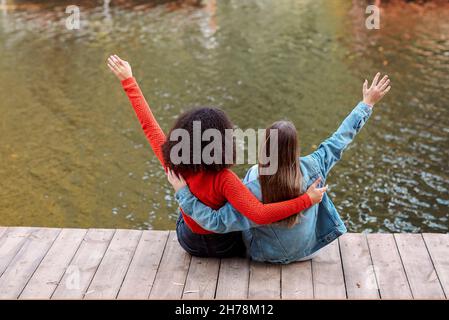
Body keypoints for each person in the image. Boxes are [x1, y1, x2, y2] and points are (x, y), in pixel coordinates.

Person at [107, 55, 327, 258]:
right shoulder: (225, 179)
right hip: (225, 247)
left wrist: (129, 81)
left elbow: (149, 127)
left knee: (184, 212)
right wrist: (307, 199)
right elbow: (259, 215)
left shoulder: (174, 166)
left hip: (190, 243)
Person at [167, 73, 391, 264]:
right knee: (318, 176)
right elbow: (340, 138)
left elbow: (217, 221)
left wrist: (185, 195)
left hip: (265, 255)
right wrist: (367, 104)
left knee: (240, 200)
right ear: (295, 148)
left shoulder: (253, 185)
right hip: (308, 251)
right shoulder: (314, 164)